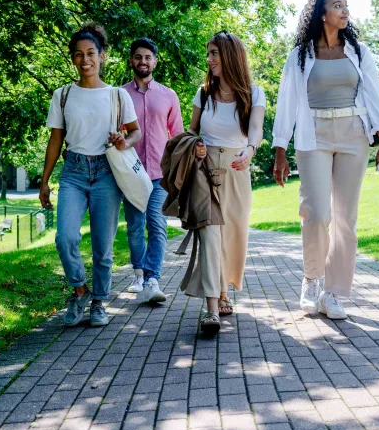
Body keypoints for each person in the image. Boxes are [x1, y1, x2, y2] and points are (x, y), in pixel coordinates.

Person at [272, 0, 379, 320]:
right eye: (337, 5)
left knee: (345, 218)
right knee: (315, 212)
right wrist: (280, 149)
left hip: (353, 135)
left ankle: (334, 293)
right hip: (313, 136)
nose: (345, 10)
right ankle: (312, 279)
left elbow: (373, 97)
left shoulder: (358, 51)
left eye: (346, 5)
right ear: (321, 14)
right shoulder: (300, 55)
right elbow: (286, 103)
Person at [39, 24, 142, 328]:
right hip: (73, 172)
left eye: (91, 53)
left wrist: (124, 140)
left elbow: (135, 133)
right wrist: (44, 181)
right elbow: (55, 140)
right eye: (78, 55)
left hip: (106, 171)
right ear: (72, 59)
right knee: (65, 237)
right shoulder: (63, 95)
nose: (85, 60)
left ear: (102, 56)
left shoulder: (118, 95)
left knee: (102, 245)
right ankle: (80, 290)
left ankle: (99, 301)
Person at [183, 30, 265, 332]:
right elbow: (190, 131)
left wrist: (251, 149)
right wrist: (196, 145)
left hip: (237, 167)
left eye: (214, 53)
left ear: (230, 55)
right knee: (209, 235)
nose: (209, 59)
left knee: (233, 235)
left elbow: (255, 128)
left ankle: (224, 290)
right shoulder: (203, 92)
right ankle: (211, 309)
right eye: (209, 53)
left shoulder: (254, 93)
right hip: (205, 170)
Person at [122, 38, 184, 303]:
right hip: (131, 173)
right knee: (135, 226)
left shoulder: (168, 95)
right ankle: (138, 272)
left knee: (157, 225)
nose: (143, 62)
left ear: (155, 61)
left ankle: (152, 279)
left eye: (148, 57)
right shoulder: (120, 95)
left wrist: (181, 172)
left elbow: (178, 135)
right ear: (131, 61)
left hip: (160, 174)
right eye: (138, 57)